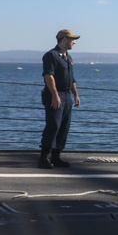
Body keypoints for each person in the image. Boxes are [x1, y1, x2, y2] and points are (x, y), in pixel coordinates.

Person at [39, 29, 82, 169]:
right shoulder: (51, 55)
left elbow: (72, 79)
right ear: (64, 39)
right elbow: (48, 76)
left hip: (67, 95)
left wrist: (76, 95)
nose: (74, 42)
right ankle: (44, 157)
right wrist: (55, 95)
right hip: (55, 95)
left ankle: (56, 156)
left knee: (64, 126)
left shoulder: (68, 58)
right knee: (54, 125)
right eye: (72, 39)